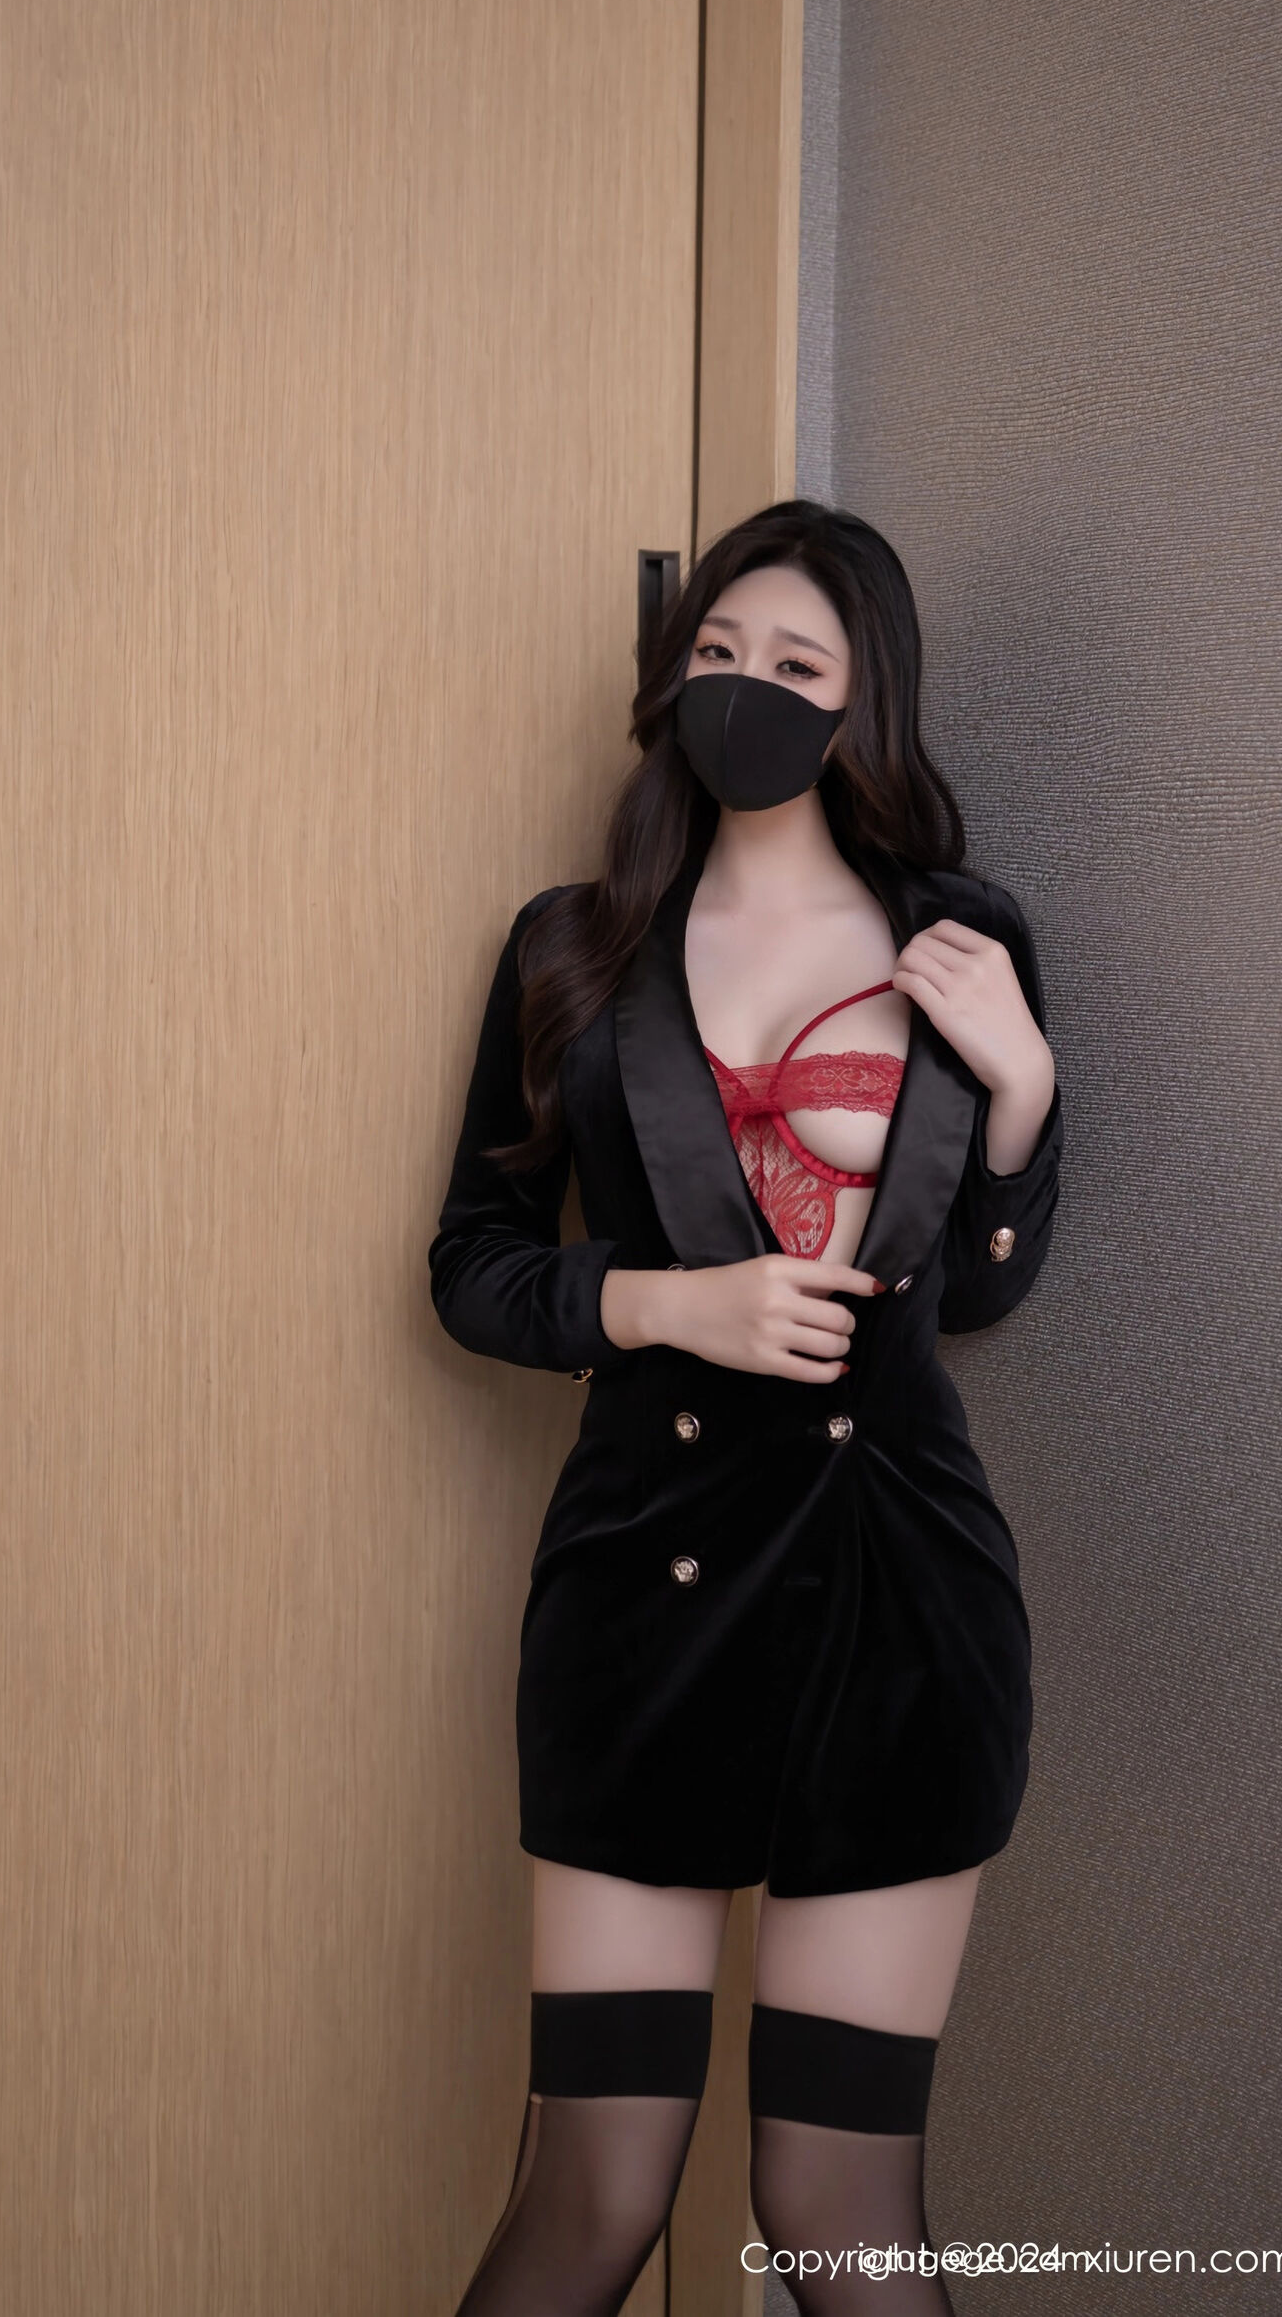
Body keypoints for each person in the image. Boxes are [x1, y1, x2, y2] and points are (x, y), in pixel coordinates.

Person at [429, 501, 1064, 2315]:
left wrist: (1021, 1090)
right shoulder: (575, 945)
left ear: (867, 704)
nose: (746, 689)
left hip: (900, 1605)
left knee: (834, 2207)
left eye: (796, 663)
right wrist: (662, 1304)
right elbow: (472, 1263)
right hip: (643, 1599)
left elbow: (982, 1293)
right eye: (716, 652)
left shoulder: (965, 939)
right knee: (593, 2192)